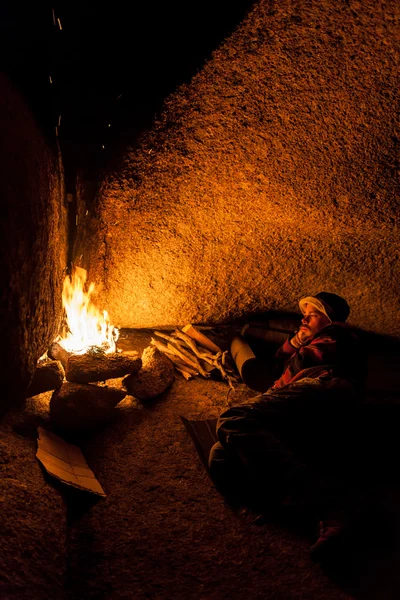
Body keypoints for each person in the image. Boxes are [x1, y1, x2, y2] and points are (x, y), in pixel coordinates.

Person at [208, 291, 368, 562]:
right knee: (220, 455)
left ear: (330, 320)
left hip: (325, 390)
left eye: (313, 314)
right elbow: (280, 362)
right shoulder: (309, 343)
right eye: (304, 314)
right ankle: (297, 506)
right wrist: (296, 339)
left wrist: (294, 347)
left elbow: (295, 368)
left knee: (233, 419)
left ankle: (331, 502)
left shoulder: (339, 335)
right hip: (299, 412)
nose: (304, 318)